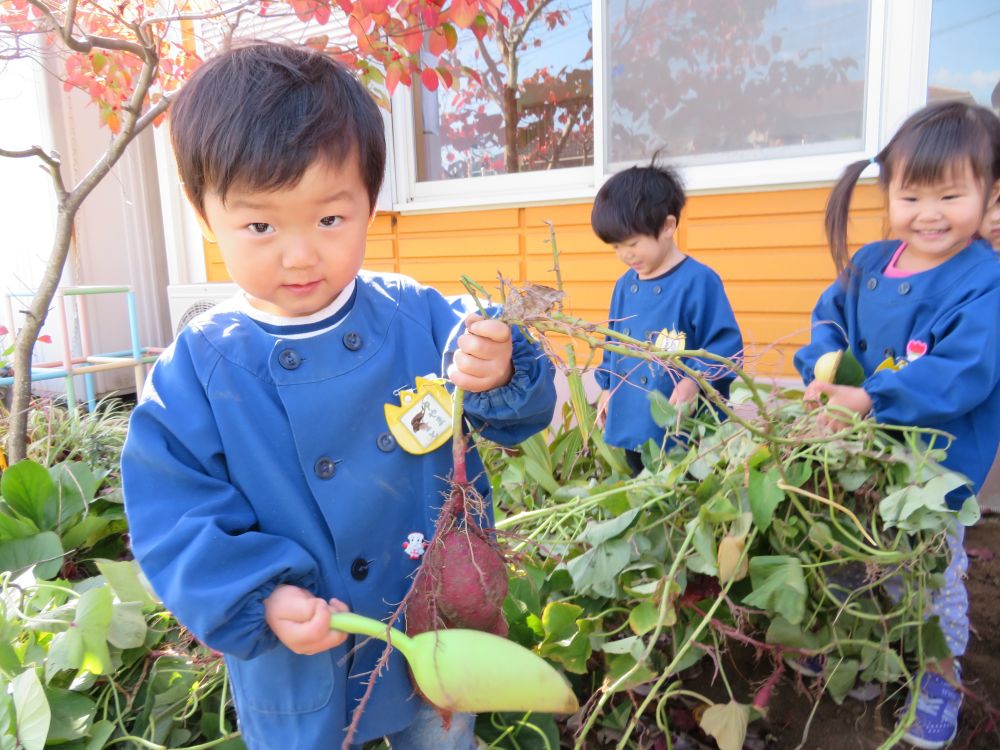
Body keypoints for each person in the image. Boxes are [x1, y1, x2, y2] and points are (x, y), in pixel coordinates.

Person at [120, 42, 556, 750]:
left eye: (329, 219)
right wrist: (258, 595)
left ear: (368, 203)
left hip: (430, 621)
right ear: (206, 217)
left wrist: (500, 372)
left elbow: (519, 418)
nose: (299, 255)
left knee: (441, 737)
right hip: (304, 648)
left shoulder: (423, 320)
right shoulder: (198, 369)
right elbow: (174, 514)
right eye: (260, 225)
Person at [795, 100, 1000, 749]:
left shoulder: (986, 278)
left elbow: (963, 370)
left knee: (931, 582)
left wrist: (871, 397)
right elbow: (827, 320)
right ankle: (854, 654)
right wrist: (822, 372)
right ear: (887, 193)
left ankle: (938, 680)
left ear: (991, 196)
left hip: (937, 468)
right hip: (858, 455)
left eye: (951, 194)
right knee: (849, 555)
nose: (930, 213)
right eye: (911, 195)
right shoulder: (870, 265)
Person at [590, 161, 743, 475]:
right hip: (634, 419)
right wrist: (609, 390)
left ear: (667, 227)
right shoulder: (624, 286)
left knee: (685, 493)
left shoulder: (699, 282)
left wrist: (694, 380)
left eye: (632, 244)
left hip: (685, 427)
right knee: (641, 481)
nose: (625, 255)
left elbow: (726, 345)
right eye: (617, 247)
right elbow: (613, 346)